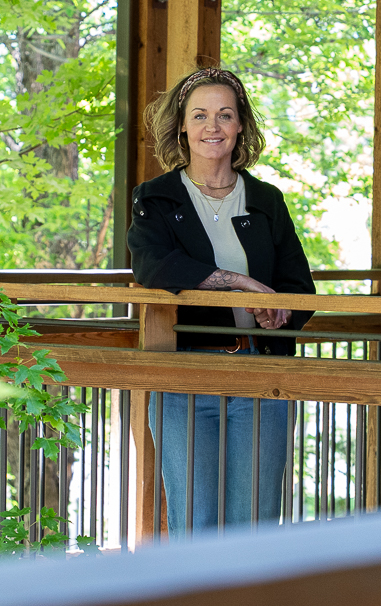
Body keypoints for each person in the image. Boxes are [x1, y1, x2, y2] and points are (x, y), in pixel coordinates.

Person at [127, 67, 315, 537]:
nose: (213, 127)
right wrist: (238, 283)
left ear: (240, 127)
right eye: (201, 115)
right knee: (197, 527)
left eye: (225, 115)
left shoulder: (267, 200)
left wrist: (280, 313)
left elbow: (298, 287)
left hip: (261, 378)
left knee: (254, 526)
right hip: (185, 378)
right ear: (182, 128)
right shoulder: (156, 197)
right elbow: (153, 267)